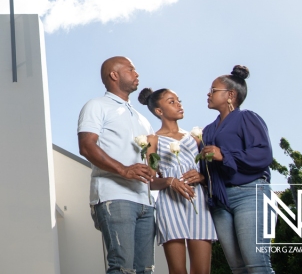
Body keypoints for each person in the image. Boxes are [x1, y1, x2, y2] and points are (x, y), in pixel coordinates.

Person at [78, 56, 156, 274]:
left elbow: (150, 157)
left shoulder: (143, 119)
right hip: (115, 195)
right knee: (122, 268)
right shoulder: (96, 106)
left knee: (145, 270)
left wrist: (153, 165)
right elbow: (86, 146)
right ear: (114, 75)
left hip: (146, 200)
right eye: (131, 69)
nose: (137, 73)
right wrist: (124, 170)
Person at [199, 65, 275, 274]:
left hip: (251, 194)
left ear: (230, 95)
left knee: (256, 264)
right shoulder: (207, 130)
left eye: (213, 90)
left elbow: (263, 154)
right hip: (220, 201)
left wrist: (224, 154)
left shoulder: (247, 118)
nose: (208, 93)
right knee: (237, 268)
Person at [139, 87, 216, 274]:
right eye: (171, 102)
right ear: (159, 111)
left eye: (178, 100)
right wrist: (169, 181)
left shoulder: (196, 138)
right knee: (178, 271)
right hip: (170, 204)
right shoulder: (152, 140)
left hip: (198, 201)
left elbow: (210, 171)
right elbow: (149, 181)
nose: (179, 104)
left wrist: (203, 177)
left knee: (202, 271)